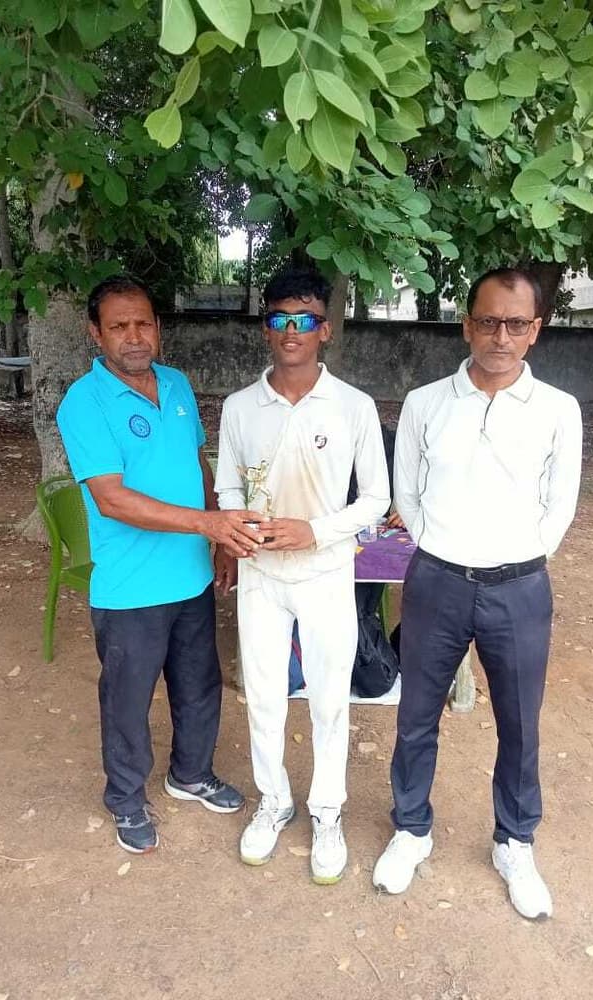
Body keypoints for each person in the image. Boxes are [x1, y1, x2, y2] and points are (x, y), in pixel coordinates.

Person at [372, 267, 582, 919]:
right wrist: (443, 546)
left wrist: (517, 555)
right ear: (468, 325)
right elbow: (406, 493)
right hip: (436, 580)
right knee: (416, 716)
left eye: (516, 324)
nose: (501, 336)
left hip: (519, 588)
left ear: (535, 331)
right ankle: (411, 829)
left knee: (519, 723)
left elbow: (560, 505)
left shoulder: (558, 410)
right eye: (488, 321)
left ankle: (514, 842)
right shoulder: (426, 403)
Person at [56, 275, 265, 854]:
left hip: (190, 577)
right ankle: (125, 798)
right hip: (130, 588)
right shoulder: (84, 402)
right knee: (128, 700)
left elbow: (198, 464)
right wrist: (209, 526)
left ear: (158, 327)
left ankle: (190, 774)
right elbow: (112, 499)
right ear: (95, 333)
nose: (134, 336)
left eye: (143, 323)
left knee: (199, 686)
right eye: (119, 326)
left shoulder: (175, 384)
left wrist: (220, 539)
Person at [214, 266, 390, 883]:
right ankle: (274, 801)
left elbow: (376, 500)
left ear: (325, 329)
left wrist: (313, 531)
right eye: (280, 319)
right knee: (264, 696)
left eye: (305, 319)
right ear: (266, 327)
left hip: (325, 573)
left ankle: (327, 811)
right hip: (262, 575)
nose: (292, 331)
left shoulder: (353, 406)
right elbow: (228, 487)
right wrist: (236, 535)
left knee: (329, 699)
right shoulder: (240, 407)